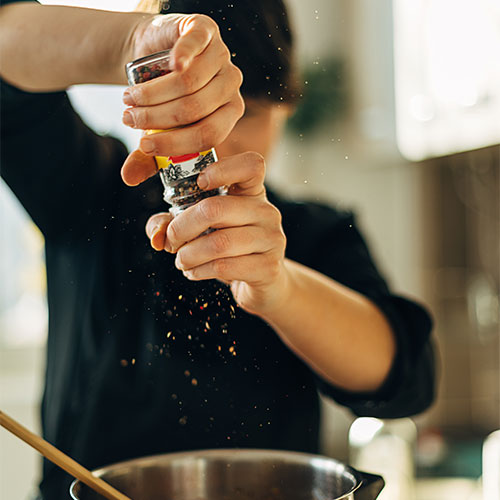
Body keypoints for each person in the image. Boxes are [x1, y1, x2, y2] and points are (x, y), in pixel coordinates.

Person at [0, 0, 435, 498]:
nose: (210, 144)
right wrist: (131, 42)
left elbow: (406, 377)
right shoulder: (88, 194)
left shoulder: (314, 233)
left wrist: (279, 286)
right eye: (182, 111)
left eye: (240, 111)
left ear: (284, 109)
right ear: (143, 100)